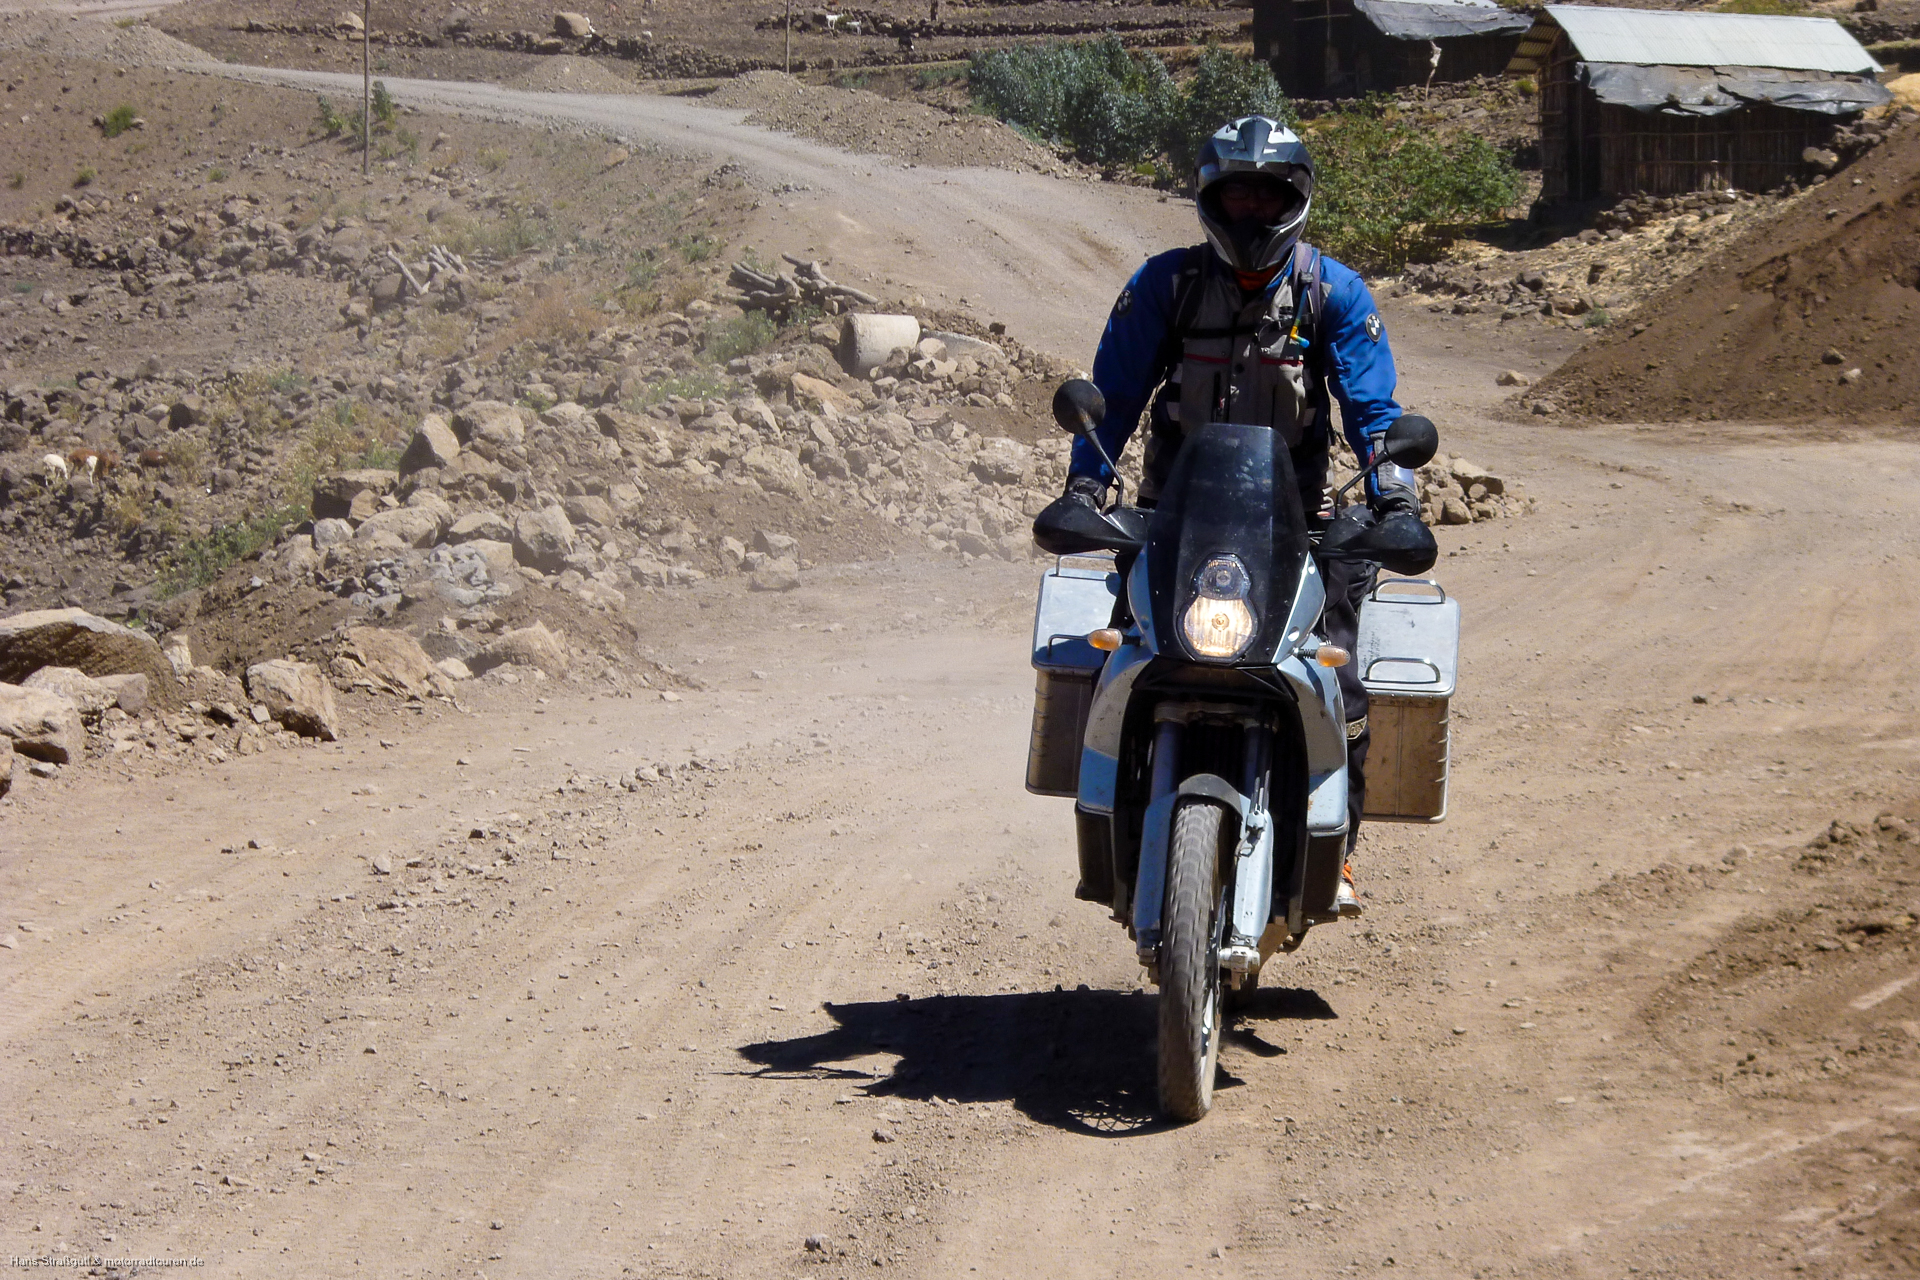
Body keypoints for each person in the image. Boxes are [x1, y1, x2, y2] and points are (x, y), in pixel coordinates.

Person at [1043, 115, 1428, 918]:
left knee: (1339, 680)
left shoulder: (1332, 292)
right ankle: (1112, 822)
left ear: (1296, 201)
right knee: (1122, 662)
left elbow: (1372, 408)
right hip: (1177, 521)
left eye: (1267, 196)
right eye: (1236, 195)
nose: (1251, 211)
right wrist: (1086, 487)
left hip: (1300, 525)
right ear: (1210, 201)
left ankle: (1338, 849)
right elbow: (1111, 396)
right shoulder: (1167, 285)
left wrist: (1392, 494)